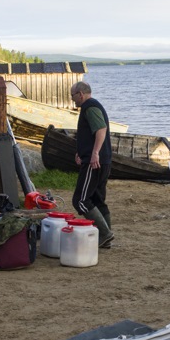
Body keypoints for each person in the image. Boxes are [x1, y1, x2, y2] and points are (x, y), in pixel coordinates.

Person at [70, 81, 115, 248]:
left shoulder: (90, 106)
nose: (72, 100)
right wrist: (80, 151)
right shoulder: (91, 106)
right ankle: (106, 240)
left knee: (80, 200)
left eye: (72, 96)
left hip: (95, 162)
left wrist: (94, 153)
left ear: (80, 94)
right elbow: (90, 133)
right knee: (97, 199)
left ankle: (105, 233)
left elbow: (101, 129)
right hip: (103, 160)